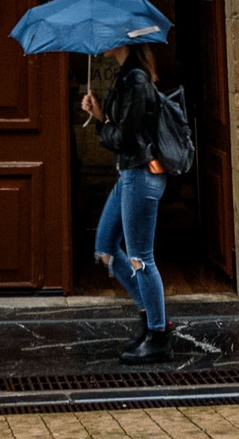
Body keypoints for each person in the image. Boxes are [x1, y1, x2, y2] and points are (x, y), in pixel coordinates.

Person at [78, 41, 173, 364]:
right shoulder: (126, 76)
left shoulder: (136, 80)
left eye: (107, 36)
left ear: (123, 40)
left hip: (140, 176)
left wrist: (103, 126)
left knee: (140, 257)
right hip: (129, 175)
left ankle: (158, 335)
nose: (100, 42)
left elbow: (125, 138)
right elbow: (122, 131)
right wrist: (100, 114)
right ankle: (148, 316)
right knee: (105, 247)